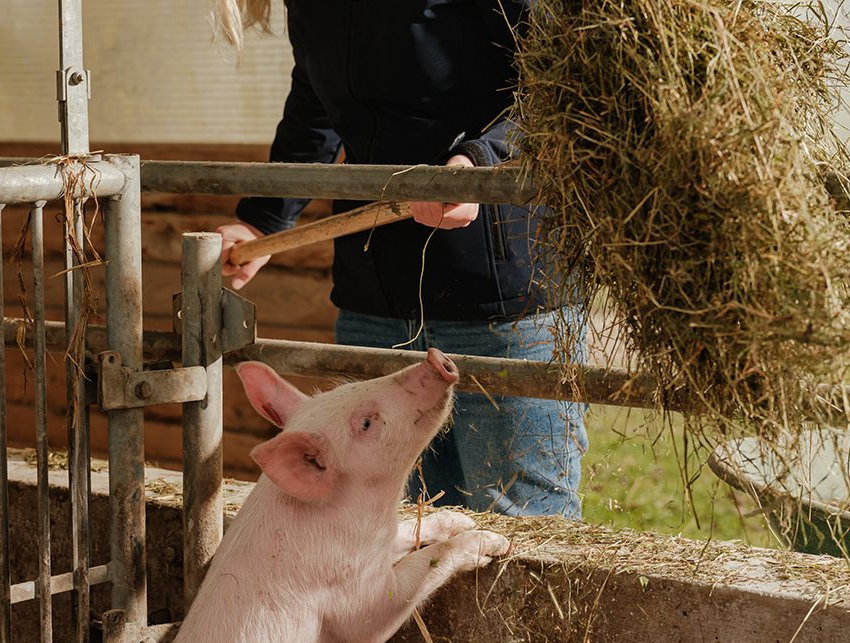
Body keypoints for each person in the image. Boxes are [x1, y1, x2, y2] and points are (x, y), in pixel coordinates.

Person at [215, 0, 587, 518]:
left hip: (502, 301)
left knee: (518, 521)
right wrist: (263, 220)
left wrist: (481, 162)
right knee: (393, 527)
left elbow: (566, 82)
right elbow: (315, 104)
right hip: (375, 306)